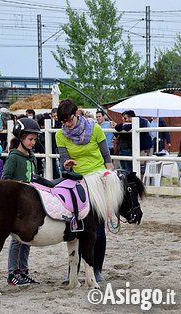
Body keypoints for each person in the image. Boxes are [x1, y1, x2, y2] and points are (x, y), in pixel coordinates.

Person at [55, 99, 113, 283]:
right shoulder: (60, 135)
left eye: (69, 119)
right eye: (63, 121)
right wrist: (67, 164)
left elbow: (106, 156)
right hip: (76, 182)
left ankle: (97, 269)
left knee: (98, 229)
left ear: (76, 114)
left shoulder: (94, 128)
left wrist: (109, 177)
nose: (67, 124)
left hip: (97, 179)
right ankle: (74, 271)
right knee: (75, 227)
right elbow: (64, 160)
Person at [3, 117, 42, 286]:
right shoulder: (13, 158)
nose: (33, 143)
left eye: (35, 139)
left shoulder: (32, 158)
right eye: (30, 139)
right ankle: (13, 273)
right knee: (17, 240)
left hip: (29, 205)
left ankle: (23, 271)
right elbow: (5, 180)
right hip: (16, 205)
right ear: (21, 138)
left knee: (27, 239)